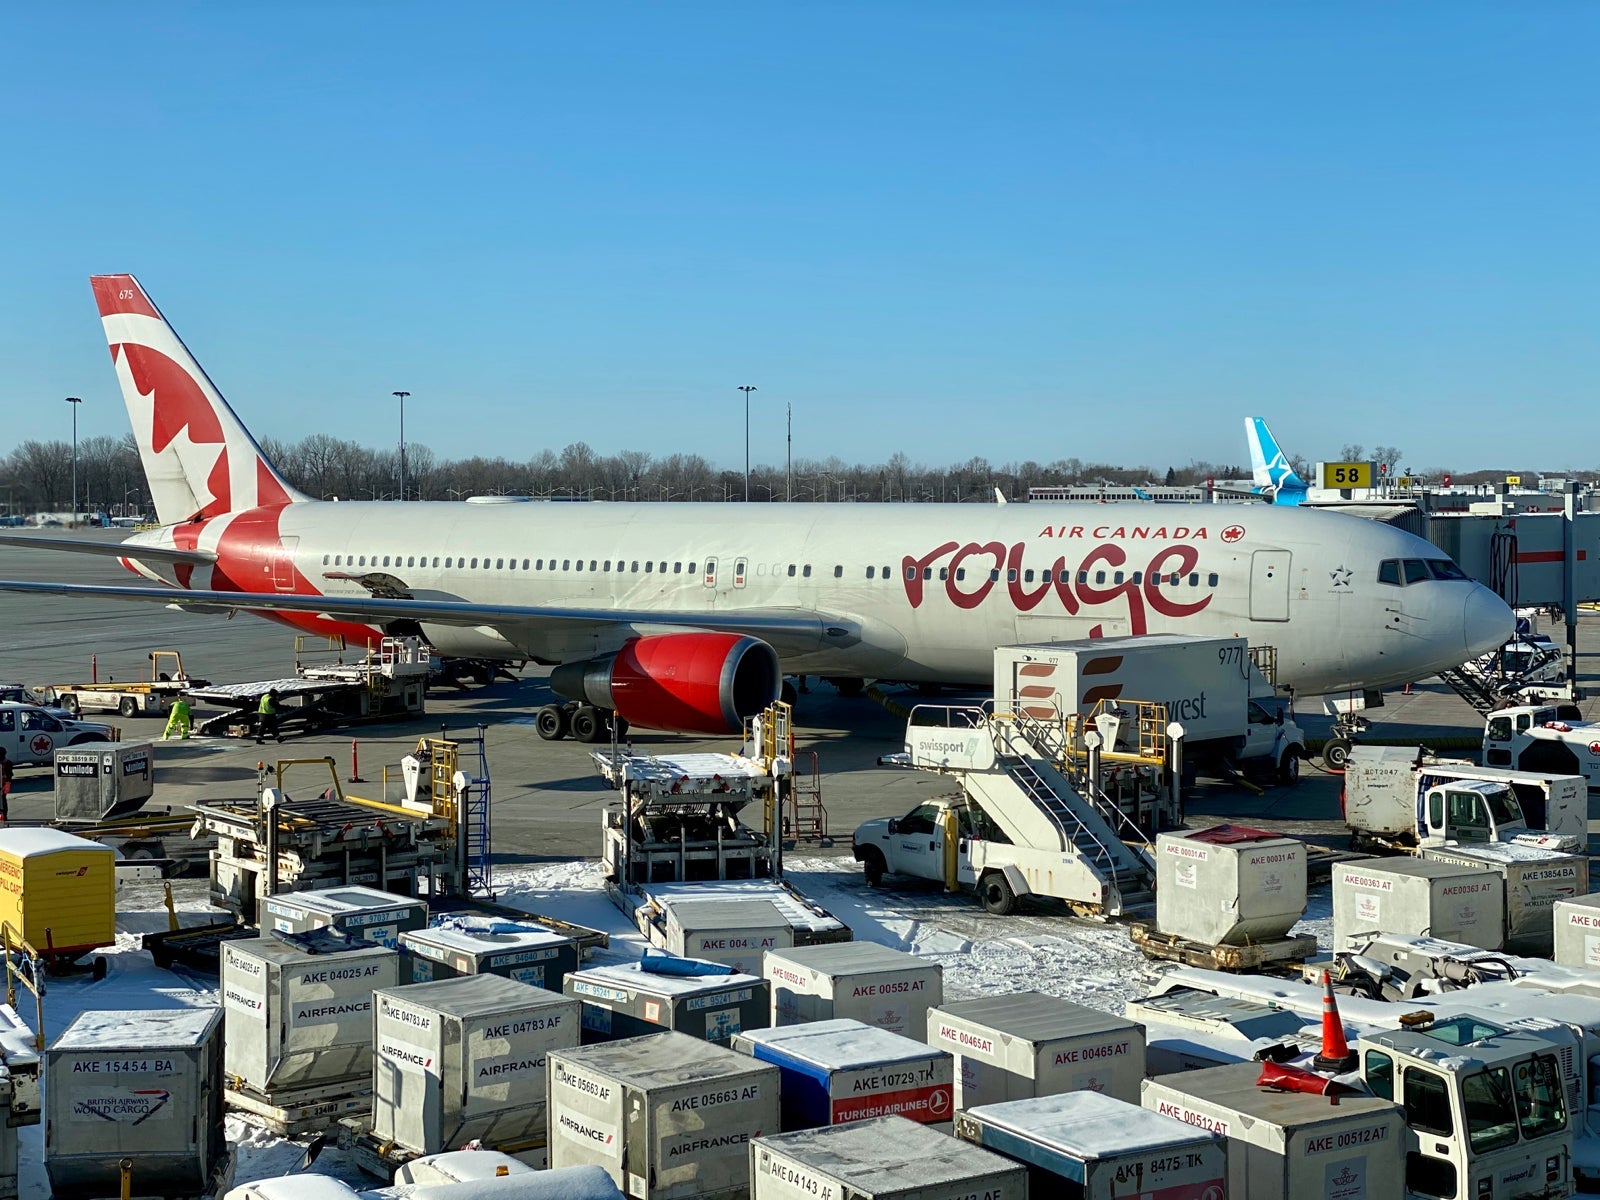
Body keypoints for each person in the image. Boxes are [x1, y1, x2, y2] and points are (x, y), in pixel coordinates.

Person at [0, 747, 11, 821]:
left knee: (3, 799)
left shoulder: (8, 763)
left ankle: (4, 815)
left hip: (3, 784)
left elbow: (9, 775)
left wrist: (7, 784)